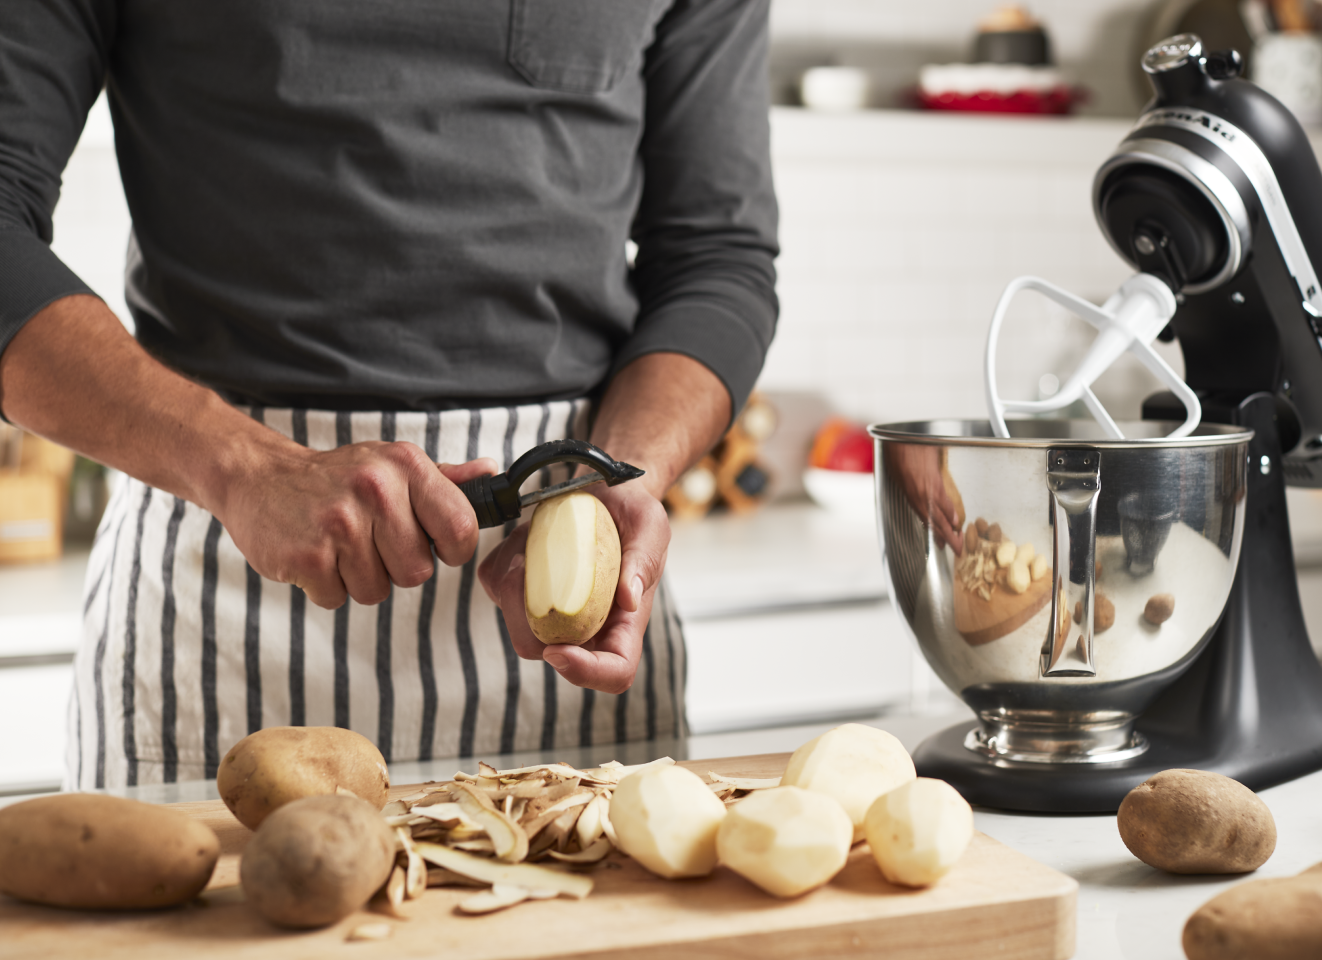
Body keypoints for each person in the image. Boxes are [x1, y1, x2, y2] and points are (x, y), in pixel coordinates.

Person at [0, 0, 778, 788]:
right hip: (220, 581)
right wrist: (245, 468)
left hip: (569, 584)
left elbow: (717, 256)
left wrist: (625, 469)